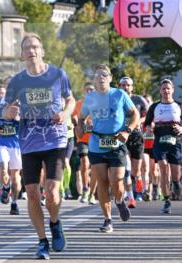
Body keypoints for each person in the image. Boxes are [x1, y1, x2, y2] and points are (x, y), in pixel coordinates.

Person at [3, 33, 75, 259]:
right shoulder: (17, 81)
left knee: (52, 193)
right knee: (33, 194)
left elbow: (71, 100)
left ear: (42, 51)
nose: (32, 51)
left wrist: (65, 113)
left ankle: (55, 223)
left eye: (36, 47)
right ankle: (42, 241)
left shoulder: (57, 75)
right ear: (22, 54)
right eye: (27, 48)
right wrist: (8, 112)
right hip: (29, 141)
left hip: (55, 139)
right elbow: (5, 110)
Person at [78, 65, 138, 233]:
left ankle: (119, 201)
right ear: (94, 79)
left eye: (104, 74)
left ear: (110, 78)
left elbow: (135, 114)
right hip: (96, 144)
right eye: (97, 75)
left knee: (117, 181)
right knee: (102, 183)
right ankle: (107, 219)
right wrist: (80, 127)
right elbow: (81, 117)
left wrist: (127, 131)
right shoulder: (90, 98)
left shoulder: (119, 94)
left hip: (117, 143)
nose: (101, 77)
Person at [144, 78, 182, 214]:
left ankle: (176, 183)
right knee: (164, 168)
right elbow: (147, 123)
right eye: (163, 88)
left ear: (172, 90)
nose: (166, 91)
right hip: (159, 141)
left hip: (175, 142)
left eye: (168, 88)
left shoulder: (179, 105)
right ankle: (166, 200)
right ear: (160, 91)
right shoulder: (154, 107)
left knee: (176, 174)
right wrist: (149, 128)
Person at [0, 81, 22, 215]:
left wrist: (17, 116)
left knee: (15, 176)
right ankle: (5, 186)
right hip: (1, 142)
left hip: (15, 144)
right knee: (2, 166)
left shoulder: (20, 102)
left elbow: (24, 120)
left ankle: (14, 203)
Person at [118, 76, 148, 204]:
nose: (126, 87)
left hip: (136, 135)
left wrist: (138, 122)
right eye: (123, 85)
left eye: (128, 85)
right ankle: (129, 195)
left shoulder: (139, 99)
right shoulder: (116, 99)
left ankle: (138, 184)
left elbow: (147, 116)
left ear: (132, 87)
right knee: (126, 167)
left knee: (136, 171)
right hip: (122, 135)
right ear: (119, 87)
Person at [72, 82, 96, 203]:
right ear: (84, 91)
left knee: (96, 167)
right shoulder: (78, 104)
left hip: (96, 139)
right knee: (85, 163)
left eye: (91, 90)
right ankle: (86, 189)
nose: (89, 92)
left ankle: (92, 193)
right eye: (87, 90)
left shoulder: (99, 104)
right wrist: (77, 122)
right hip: (83, 139)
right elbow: (73, 117)